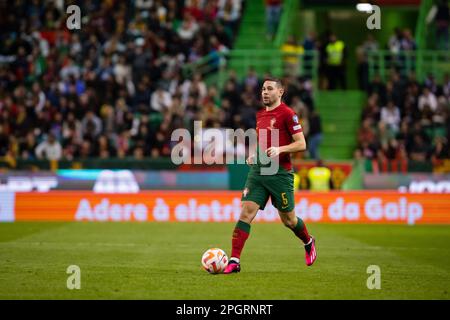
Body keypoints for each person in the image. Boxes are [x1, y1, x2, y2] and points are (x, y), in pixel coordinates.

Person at [223, 78, 317, 274]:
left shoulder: (288, 114)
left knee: (289, 221)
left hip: (279, 174)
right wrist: (254, 154)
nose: (264, 92)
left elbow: (301, 144)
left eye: (269, 89)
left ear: (280, 92)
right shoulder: (260, 115)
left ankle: (308, 241)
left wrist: (280, 149)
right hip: (258, 171)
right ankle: (234, 261)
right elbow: (263, 142)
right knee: (246, 212)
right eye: (263, 89)